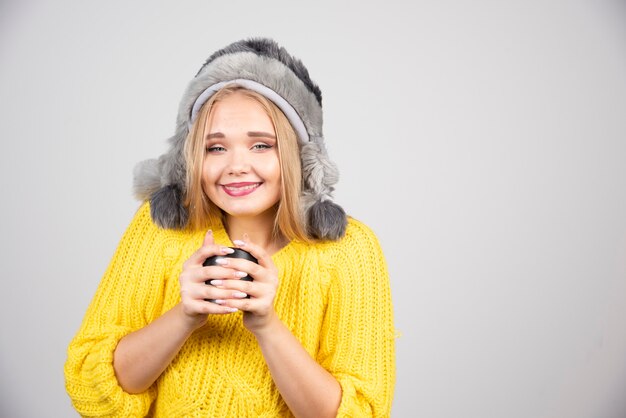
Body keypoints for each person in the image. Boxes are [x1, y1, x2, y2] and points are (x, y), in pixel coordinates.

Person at [64, 38, 395, 417]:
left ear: (297, 155)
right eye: (215, 148)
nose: (236, 165)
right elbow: (91, 387)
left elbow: (361, 412)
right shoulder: (161, 229)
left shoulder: (350, 251)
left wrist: (268, 326)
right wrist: (185, 315)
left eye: (261, 146)